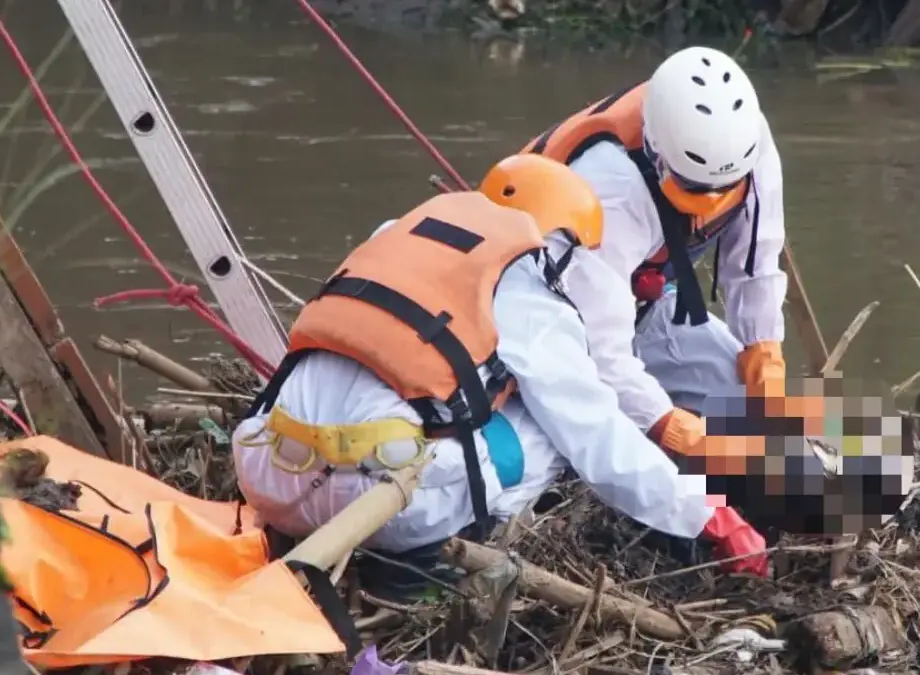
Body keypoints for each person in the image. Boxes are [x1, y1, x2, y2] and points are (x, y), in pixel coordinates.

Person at [231, 153, 767, 602]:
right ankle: (422, 564)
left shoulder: (397, 236)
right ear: (553, 238)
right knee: (550, 429)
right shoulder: (526, 284)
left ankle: (332, 533)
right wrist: (705, 516)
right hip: (383, 503)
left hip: (268, 472)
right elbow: (596, 438)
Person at [520, 45, 788, 463]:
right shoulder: (609, 190)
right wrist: (666, 423)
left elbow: (756, 264)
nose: (713, 202)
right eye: (695, 190)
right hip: (553, 323)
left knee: (750, 410)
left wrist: (763, 354)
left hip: (645, 300)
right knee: (585, 442)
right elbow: (601, 349)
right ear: (656, 150)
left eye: (726, 188)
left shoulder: (747, 142)